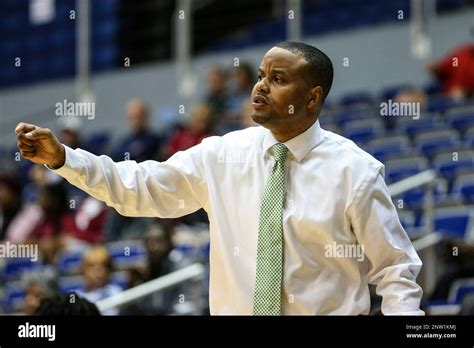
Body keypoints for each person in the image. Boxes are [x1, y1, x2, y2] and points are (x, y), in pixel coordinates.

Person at [15, 41, 424, 315]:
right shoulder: (222, 154)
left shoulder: (355, 171)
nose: (260, 86)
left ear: (312, 97)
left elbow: (395, 273)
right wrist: (64, 158)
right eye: (262, 75)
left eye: (278, 79)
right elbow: (137, 188)